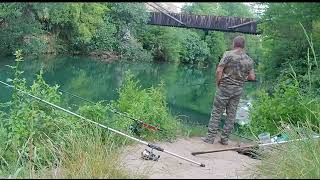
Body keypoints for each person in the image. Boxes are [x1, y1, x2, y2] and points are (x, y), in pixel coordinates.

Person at [201, 36, 256, 145]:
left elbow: (218, 70)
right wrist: (242, 78)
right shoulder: (249, 60)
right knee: (231, 114)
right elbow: (252, 77)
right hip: (238, 90)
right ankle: (224, 139)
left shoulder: (228, 54)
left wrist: (218, 83)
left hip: (224, 87)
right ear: (243, 46)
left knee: (217, 112)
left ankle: (210, 138)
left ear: (234, 44)